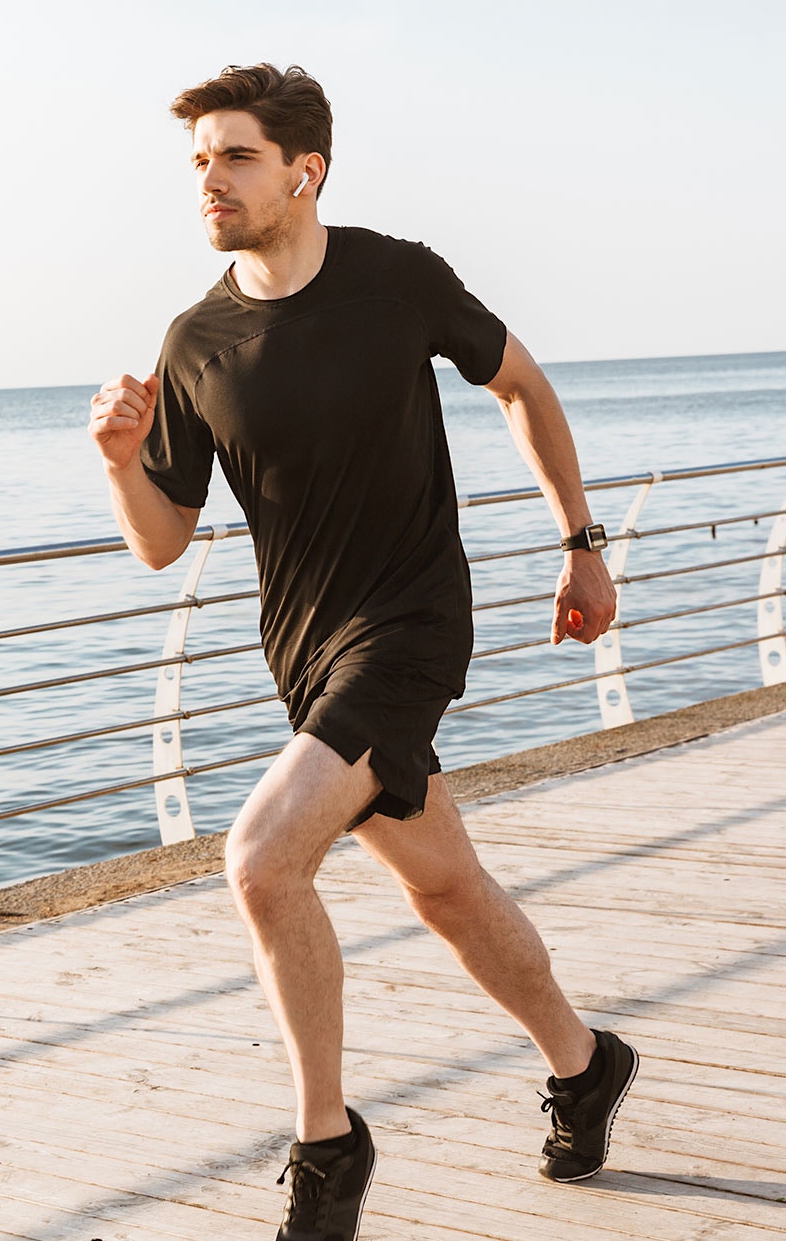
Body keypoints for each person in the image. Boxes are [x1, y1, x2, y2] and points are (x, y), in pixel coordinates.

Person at [88, 62, 638, 1241]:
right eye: (199, 161)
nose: (210, 180)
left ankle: (327, 1147)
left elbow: (522, 385)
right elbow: (160, 543)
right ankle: (584, 1063)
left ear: (304, 170)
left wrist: (580, 542)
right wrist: (124, 460)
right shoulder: (195, 341)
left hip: (412, 625)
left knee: (259, 858)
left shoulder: (398, 278)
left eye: (234, 156)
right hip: (305, 652)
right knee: (447, 887)